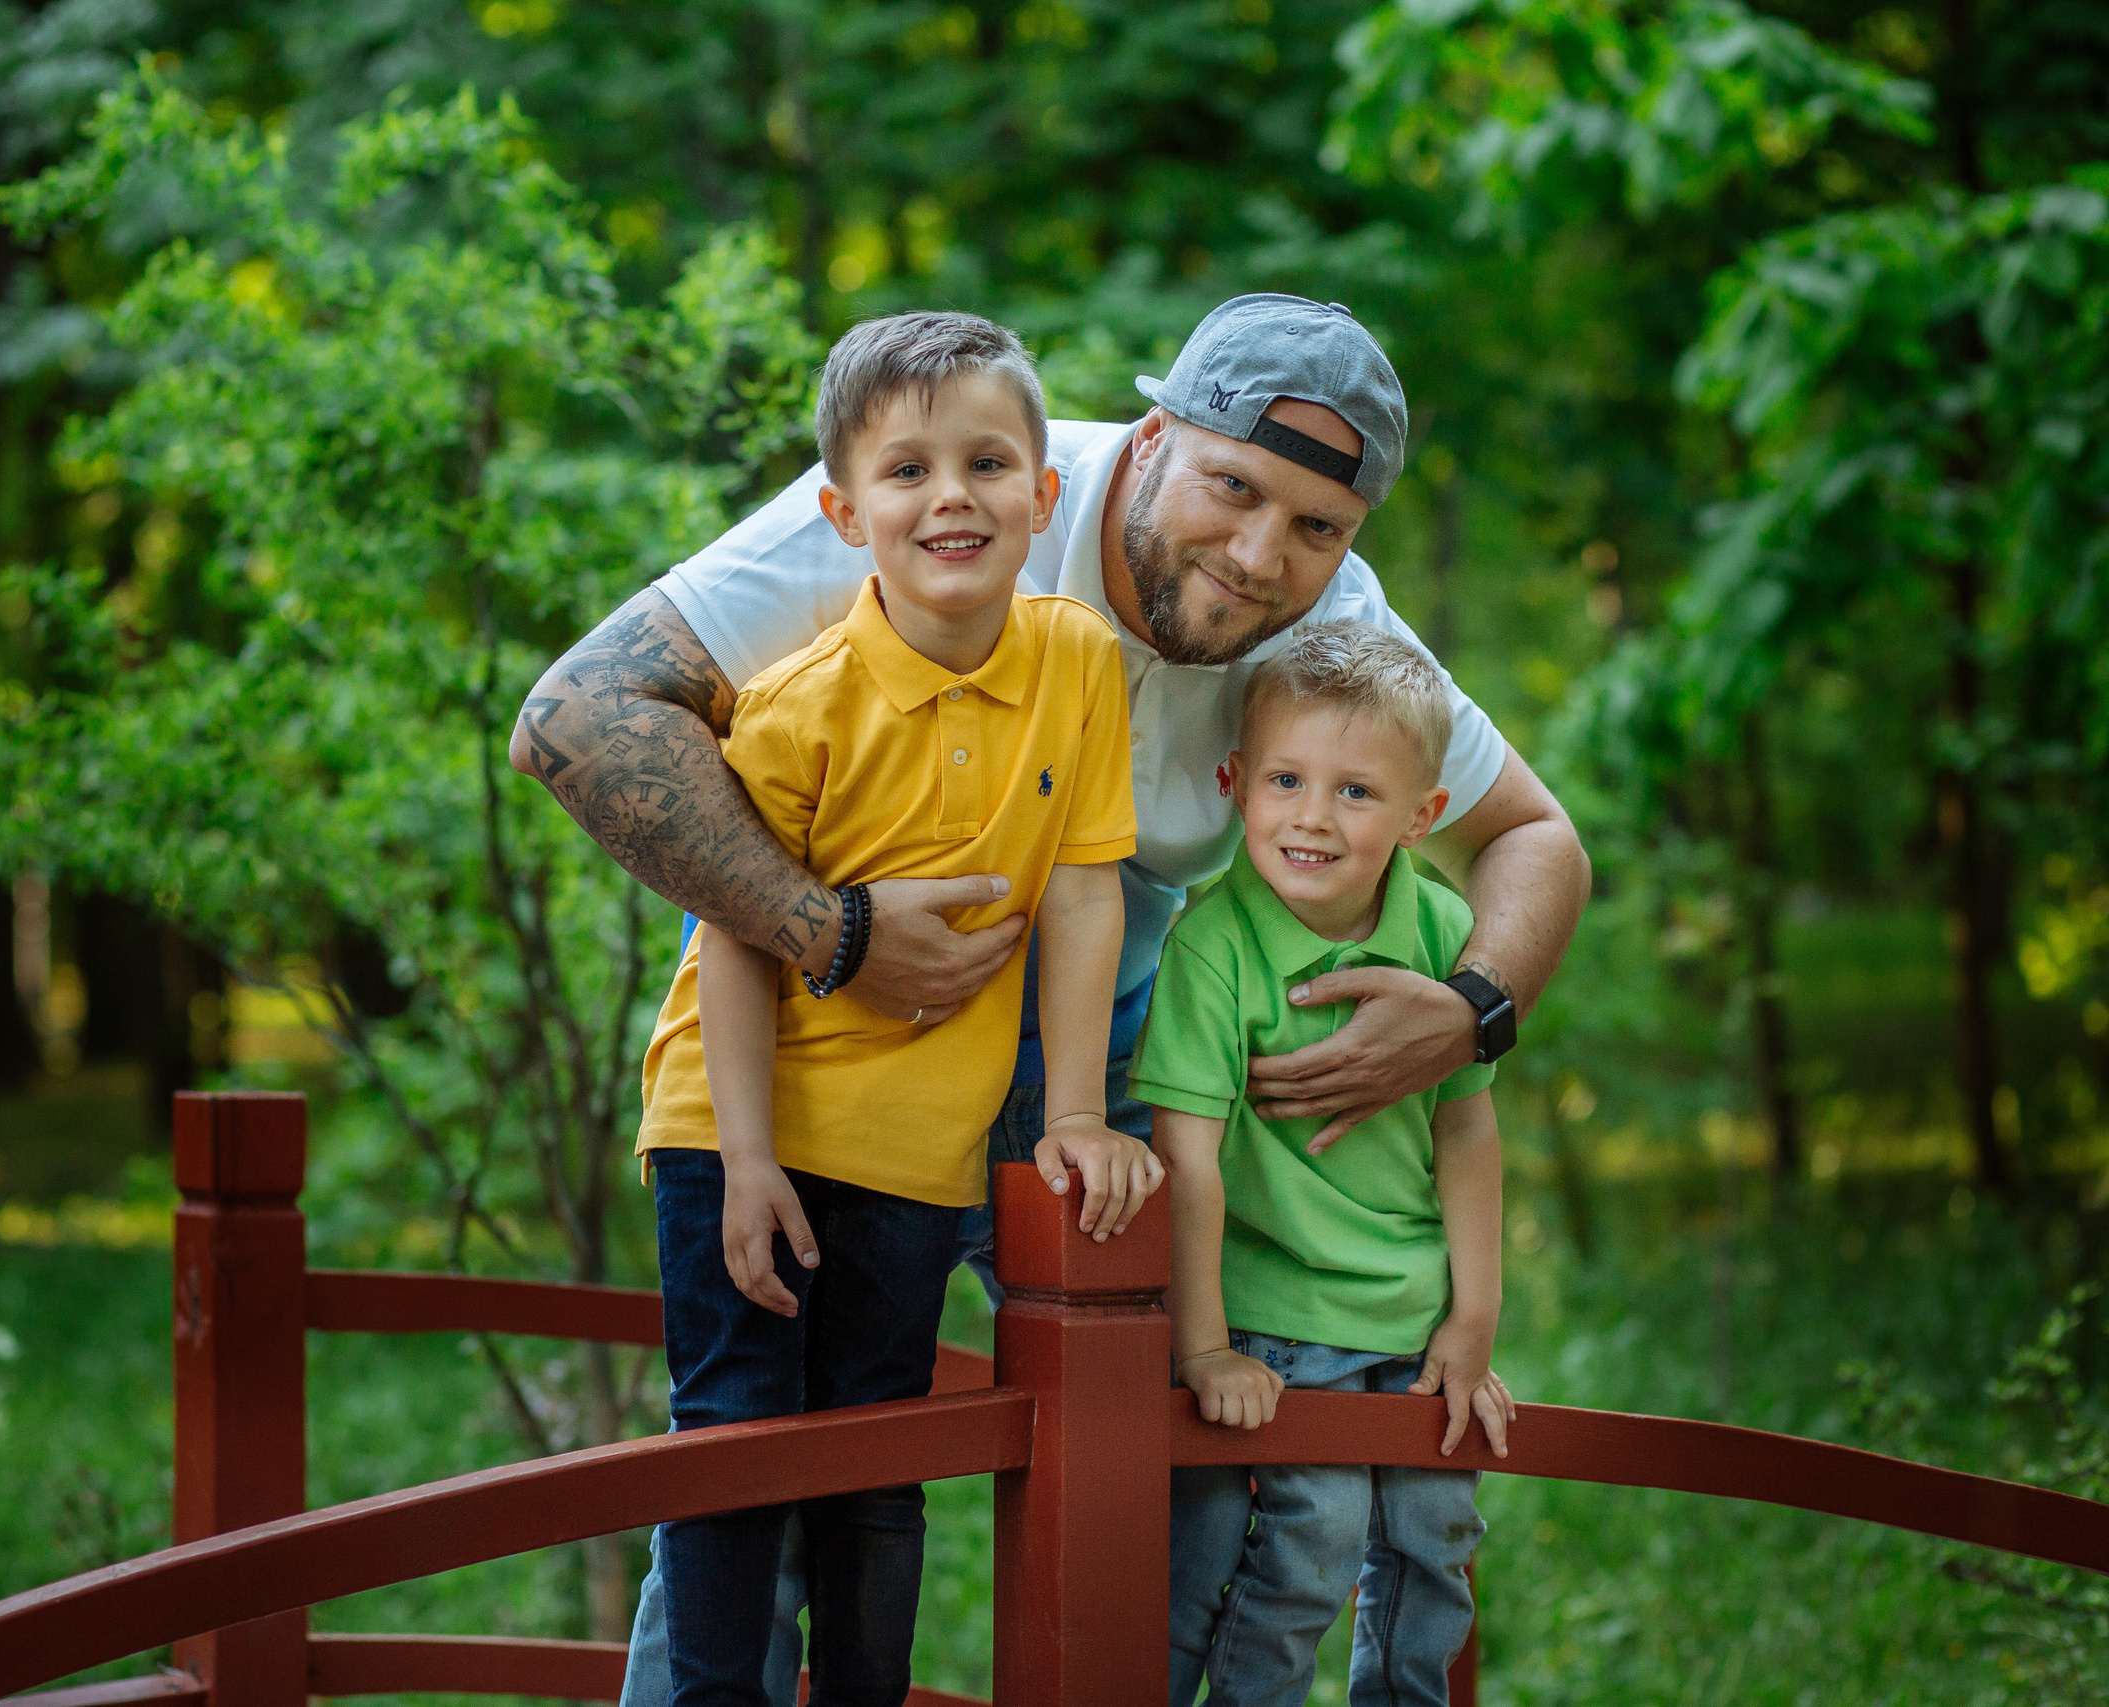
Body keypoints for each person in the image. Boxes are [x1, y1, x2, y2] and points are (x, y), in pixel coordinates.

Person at [509, 293, 1591, 1703]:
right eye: (1234, 488)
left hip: (1104, 1070)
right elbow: (577, 714)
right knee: (771, 1457)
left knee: (1163, 1451)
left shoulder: (1335, 617)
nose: (1265, 554)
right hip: (838, 1050)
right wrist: (824, 926)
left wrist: (1473, 1008)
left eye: (1319, 525)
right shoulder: (971, 484)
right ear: (1145, 444)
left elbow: (1536, 836)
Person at [633, 309, 1162, 1707]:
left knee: (878, 1462)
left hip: (919, 1147)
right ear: (843, 511)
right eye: (908, 469)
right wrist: (745, 1164)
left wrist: (1077, 1115)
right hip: (739, 1121)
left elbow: (1087, 895)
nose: (952, 497)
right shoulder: (794, 706)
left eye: (989, 463)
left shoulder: (1080, 666)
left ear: (1044, 497)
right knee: (738, 1441)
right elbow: (742, 942)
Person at [1137, 622, 1513, 1707]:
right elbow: (1189, 1162)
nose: (1311, 816)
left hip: (1416, 1315)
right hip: (1276, 1310)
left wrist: (1473, 1316)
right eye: (1287, 781)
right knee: (1309, 1545)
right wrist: (1204, 1350)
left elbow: (1467, 1129)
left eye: (1355, 792)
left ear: (1420, 815)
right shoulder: (1213, 949)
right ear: (1232, 785)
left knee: (1435, 1546)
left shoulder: (1447, 935)